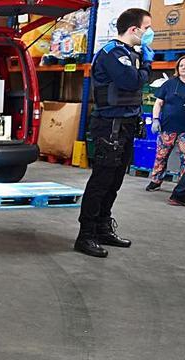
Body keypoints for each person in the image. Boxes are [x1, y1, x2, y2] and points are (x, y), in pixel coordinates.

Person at [75, 8, 154, 258]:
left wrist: (142, 66)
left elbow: (136, 82)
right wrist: (147, 65)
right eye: (147, 28)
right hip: (109, 126)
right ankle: (85, 235)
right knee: (101, 180)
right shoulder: (112, 53)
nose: (150, 33)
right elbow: (131, 82)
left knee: (115, 181)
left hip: (127, 124)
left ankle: (102, 227)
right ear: (134, 29)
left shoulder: (131, 53)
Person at [146, 55, 185, 194]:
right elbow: (158, 103)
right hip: (167, 128)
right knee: (161, 156)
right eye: (181, 65)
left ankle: (182, 188)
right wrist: (155, 119)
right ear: (177, 68)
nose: (184, 68)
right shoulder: (169, 84)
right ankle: (156, 181)